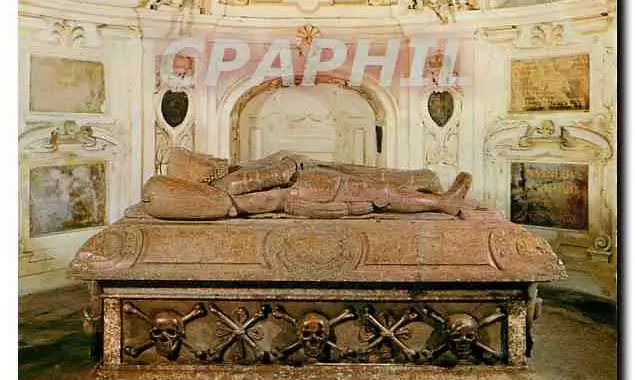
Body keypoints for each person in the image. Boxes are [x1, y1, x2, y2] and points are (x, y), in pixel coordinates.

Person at [141, 149, 475, 221]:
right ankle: (443, 203)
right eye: (199, 159)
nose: (207, 157)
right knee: (381, 193)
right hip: (312, 190)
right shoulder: (230, 182)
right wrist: (286, 159)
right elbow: (281, 175)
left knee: (378, 187)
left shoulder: (222, 190)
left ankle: (431, 192)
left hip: (309, 191)